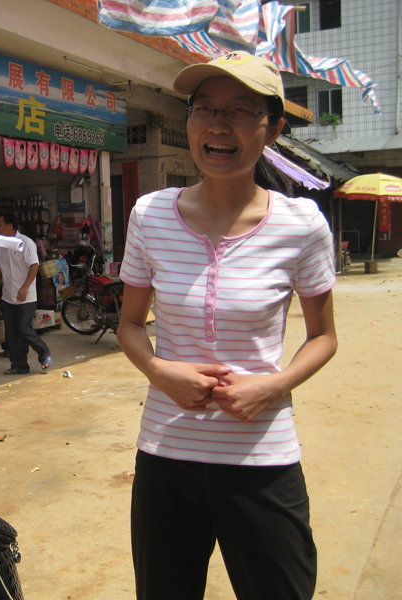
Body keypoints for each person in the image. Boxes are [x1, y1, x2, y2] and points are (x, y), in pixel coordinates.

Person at [117, 51, 338, 600]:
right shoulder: (149, 215)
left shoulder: (302, 225)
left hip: (262, 457)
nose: (218, 125)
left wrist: (272, 386)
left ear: (273, 129)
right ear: (190, 120)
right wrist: (159, 371)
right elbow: (129, 325)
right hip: (167, 455)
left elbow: (323, 337)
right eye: (205, 109)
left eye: (240, 110)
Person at [0, 212, 51, 374]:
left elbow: (34, 265)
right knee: (12, 333)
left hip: (26, 297)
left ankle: (44, 352)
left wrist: (25, 287)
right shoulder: (1, 245)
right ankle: (19, 365)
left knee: (23, 329)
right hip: (7, 296)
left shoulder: (26, 243)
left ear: (10, 226)